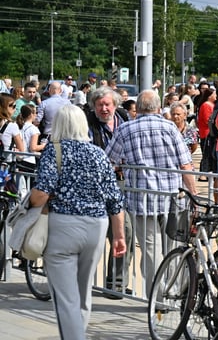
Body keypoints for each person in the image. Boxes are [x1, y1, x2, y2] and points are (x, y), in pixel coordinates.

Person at [29, 104, 126, 340]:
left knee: (65, 297)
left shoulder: (54, 150)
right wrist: (119, 235)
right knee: (83, 292)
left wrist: (31, 202)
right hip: (96, 225)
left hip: (63, 225)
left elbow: (42, 192)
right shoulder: (98, 154)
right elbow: (114, 199)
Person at [105, 90, 197, 298]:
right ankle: (172, 292)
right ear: (158, 108)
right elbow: (186, 165)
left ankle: (156, 295)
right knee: (173, 247)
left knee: (150, 251)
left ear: (137, 108)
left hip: (141, 200)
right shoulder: (170, 128)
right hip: (172, 197)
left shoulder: (126, 129)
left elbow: (108, 162)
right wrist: (193, 195)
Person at [86, 86, 133, 297]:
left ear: (115, 105)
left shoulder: (123, 120)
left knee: (125, 233)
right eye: (100, 105)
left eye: (107, 104)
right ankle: (96, 282)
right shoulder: (88, 124)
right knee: (101, 234)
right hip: (98, 186)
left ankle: (116, 283)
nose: (104, 108)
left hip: (123, 183)